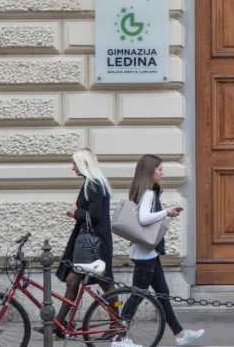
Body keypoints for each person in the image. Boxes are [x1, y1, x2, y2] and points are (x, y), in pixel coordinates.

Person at [120, 155, 204, 347]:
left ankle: (180, 333)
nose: (162, 172)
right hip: (145, 255)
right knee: (137, 296)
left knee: (163, 293)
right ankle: (118, 336)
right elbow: (143, 219)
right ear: (150, 171)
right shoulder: (149, 192)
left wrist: (166, 211)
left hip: (148, 253)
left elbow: (145, 217)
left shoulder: (143, 191)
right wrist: (166, 212)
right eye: (159, 169)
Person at [52, 149, 115, 336]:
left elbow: (94, 215)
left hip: (95, 245)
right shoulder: (92, 182)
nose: (72, 167)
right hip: (92, 243)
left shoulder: (94, 184)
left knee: (107, 286)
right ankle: (59, 325)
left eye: (75, 163)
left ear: (84, 164)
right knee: (73, 281)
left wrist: (75, 213)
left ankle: (117, 323)